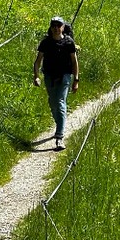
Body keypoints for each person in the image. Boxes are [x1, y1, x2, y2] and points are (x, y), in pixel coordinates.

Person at [33, 16, 79, 150]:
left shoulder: (69, 42)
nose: (56, 28)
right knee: (53, 103)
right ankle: (60, 121)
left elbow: (75, 62)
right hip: (49, 76)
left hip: (65, 76)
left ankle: (59, 137)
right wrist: (36, 76)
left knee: (59, 102)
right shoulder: (46, 43)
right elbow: (37, 61)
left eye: (59, 25)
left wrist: (76, 80)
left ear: (63, 28)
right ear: (51, 27)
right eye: (54, 25)